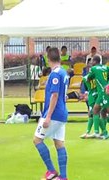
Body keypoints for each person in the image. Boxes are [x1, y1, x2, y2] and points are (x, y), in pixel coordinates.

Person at [33, 47, 69, 180]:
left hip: (53, 113)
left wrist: (47, 116)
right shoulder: (64, 73)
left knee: (37, 140)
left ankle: (51, 170)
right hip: (62, 113)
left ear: (48, 59)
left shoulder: (55, 74)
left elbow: (54, 95)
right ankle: (63, 177)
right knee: (59, 143)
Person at [87, 55, 109, 139]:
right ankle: (100, 132)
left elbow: (89, 78)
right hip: (102, 92)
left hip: (104, 92)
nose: (91, 63)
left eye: (92, 61)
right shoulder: (106, 67)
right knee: (96, 110)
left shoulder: (94, 69)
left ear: (95, 62)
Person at [79, 64, 98, 139]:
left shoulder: (85, 78)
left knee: (96, 114)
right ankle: (88, 132)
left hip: (94, 97)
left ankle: (98, 132)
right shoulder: (97, 77)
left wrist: (85, 94)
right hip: (93, 97)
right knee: (93, 114)